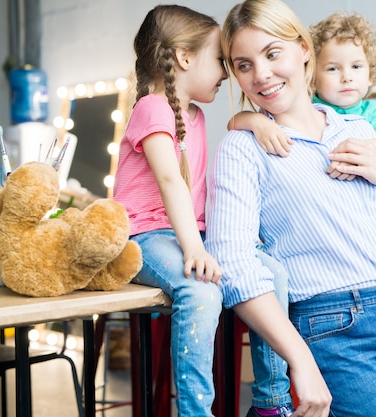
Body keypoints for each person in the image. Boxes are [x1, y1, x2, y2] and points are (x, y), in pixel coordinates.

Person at [206, 0, 376, 416]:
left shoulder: (357, 129)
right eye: (243, 64)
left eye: (272, 53)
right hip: (338, 331)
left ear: (304, 50)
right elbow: (235, 265)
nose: (261, 74)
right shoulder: (242, 149)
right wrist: (299, 358)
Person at [113, 6, 227, 416]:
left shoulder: (194, 116)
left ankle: (272, 400)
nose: (226, 71)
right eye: (219, 59)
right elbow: (169, 181)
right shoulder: (151, 107)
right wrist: (195, 248)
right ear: (183, 57)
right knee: (200, 291)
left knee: (266, 274)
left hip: (184, 234)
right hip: (145, 235)